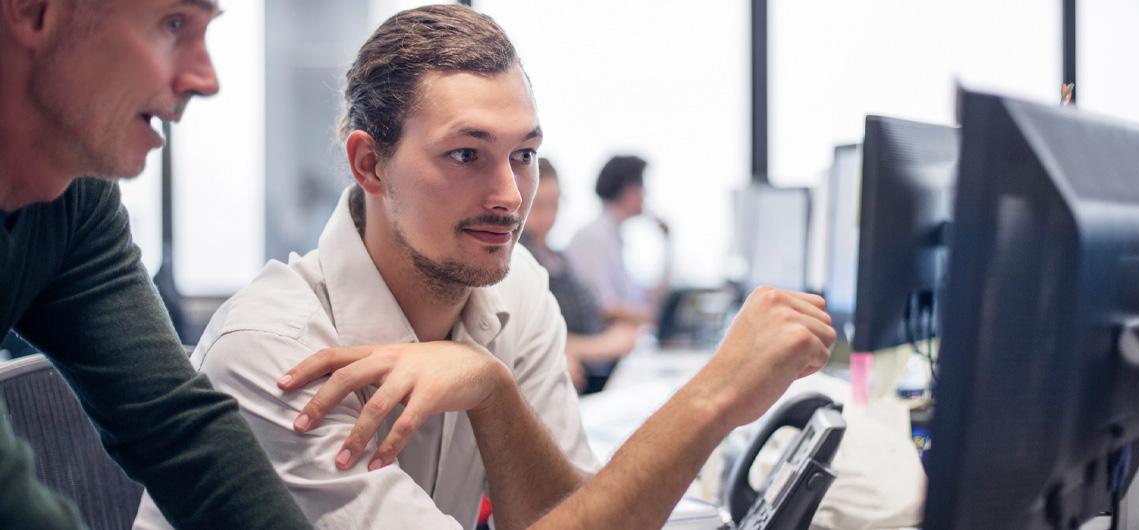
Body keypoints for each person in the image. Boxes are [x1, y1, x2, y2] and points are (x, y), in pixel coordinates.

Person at [139, 5, 835, 529]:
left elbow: (570, 515)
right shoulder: (276, 356)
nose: (510, 197)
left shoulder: (514, 287)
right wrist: (713, 398)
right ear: (368, 164)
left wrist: (492, 390)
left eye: (524, 154)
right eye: (466, 155)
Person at [0, 0, 311, 528]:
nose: (205, 79)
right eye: (173, 25)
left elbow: (177, 426)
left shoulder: (73, 201)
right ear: (35, 12)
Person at [521, 157, 639, 393]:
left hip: (599, 370)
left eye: (554, 205)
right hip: (579, 379)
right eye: (539, 206)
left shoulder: (559, 257)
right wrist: (605, 345)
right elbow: (531, 339)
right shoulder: (521, 260)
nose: (548, 217)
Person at [565, 154, 669, 325]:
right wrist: (650, 316)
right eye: (642, 186)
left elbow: (641, 298)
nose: (646, 195)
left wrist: (667, 243)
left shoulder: (613, 236)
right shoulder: (592, 237)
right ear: (629, 190)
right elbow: (604, 307)